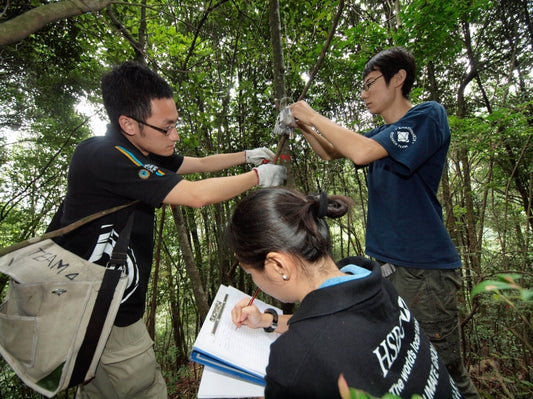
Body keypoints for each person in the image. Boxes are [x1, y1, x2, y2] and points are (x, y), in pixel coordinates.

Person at [48, 61, 286, 398]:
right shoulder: (104, 155)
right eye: (166, 127)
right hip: (107, 318)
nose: (174, 136)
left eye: (176, 124)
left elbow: (199, 165)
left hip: (93, 311)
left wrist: (246, 156)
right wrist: (259, 178)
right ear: (128, 123)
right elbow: (195, 195)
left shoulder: (141, 149)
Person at [287, 47, 479, 398]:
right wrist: (303, 128)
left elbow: (359, 152)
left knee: (445, 372)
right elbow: (334, 152)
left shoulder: (427, 115)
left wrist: (312, 114)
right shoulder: (381, 133)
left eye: (369, 83)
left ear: (398, 78)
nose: (363, 94)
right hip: (386, 269)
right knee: (405, 366)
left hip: (423, 271)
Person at [227, 187, 462, 399]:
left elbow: (323, 338)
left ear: (278, 266)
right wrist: (267, 320)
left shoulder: (295, 357)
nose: (254, 279)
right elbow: (334, 328)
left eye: (250, 272)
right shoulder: (370, 281)